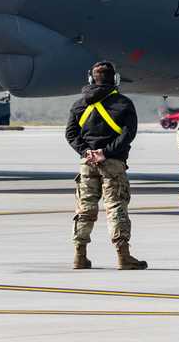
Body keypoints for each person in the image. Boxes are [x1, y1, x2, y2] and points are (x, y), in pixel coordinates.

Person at [64, 61, 147, 270]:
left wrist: (86, 152)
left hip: (87, 164)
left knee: (85, 209)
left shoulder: (79, 105)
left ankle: (79, 256)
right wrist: (106, 152)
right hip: (113, 163)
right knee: (116, 207)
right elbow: (128, 135)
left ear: (91, 79)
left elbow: (71, 134)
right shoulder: (123, 104)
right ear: (115, 80)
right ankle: (123, 256)